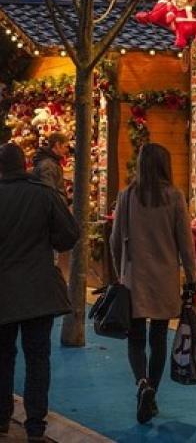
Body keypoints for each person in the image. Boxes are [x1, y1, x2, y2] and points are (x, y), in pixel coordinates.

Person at [109, 143, 196, 425]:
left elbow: (115, 239)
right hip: (165, 278)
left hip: (134, 277)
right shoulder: (174, 197)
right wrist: (192, 277)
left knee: (135, 338)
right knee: (158, 339)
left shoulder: (127, 196)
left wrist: (120, 272)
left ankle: (142, 384)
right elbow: (185, 242)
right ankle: (153, 393)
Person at [0, 143, 79, 442]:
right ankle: (35, 425)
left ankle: (1, 418)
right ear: (25, 165)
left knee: (3, 356)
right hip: (39, 291)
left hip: (3, 292)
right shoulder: (43, 194)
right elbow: (69, 235)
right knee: (37, 358)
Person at [32, 132, 68, 198]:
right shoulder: (48, 165)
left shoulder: (50, 162)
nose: (66, 150)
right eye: (65, 146)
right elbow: (48, 193)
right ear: (57, 145)